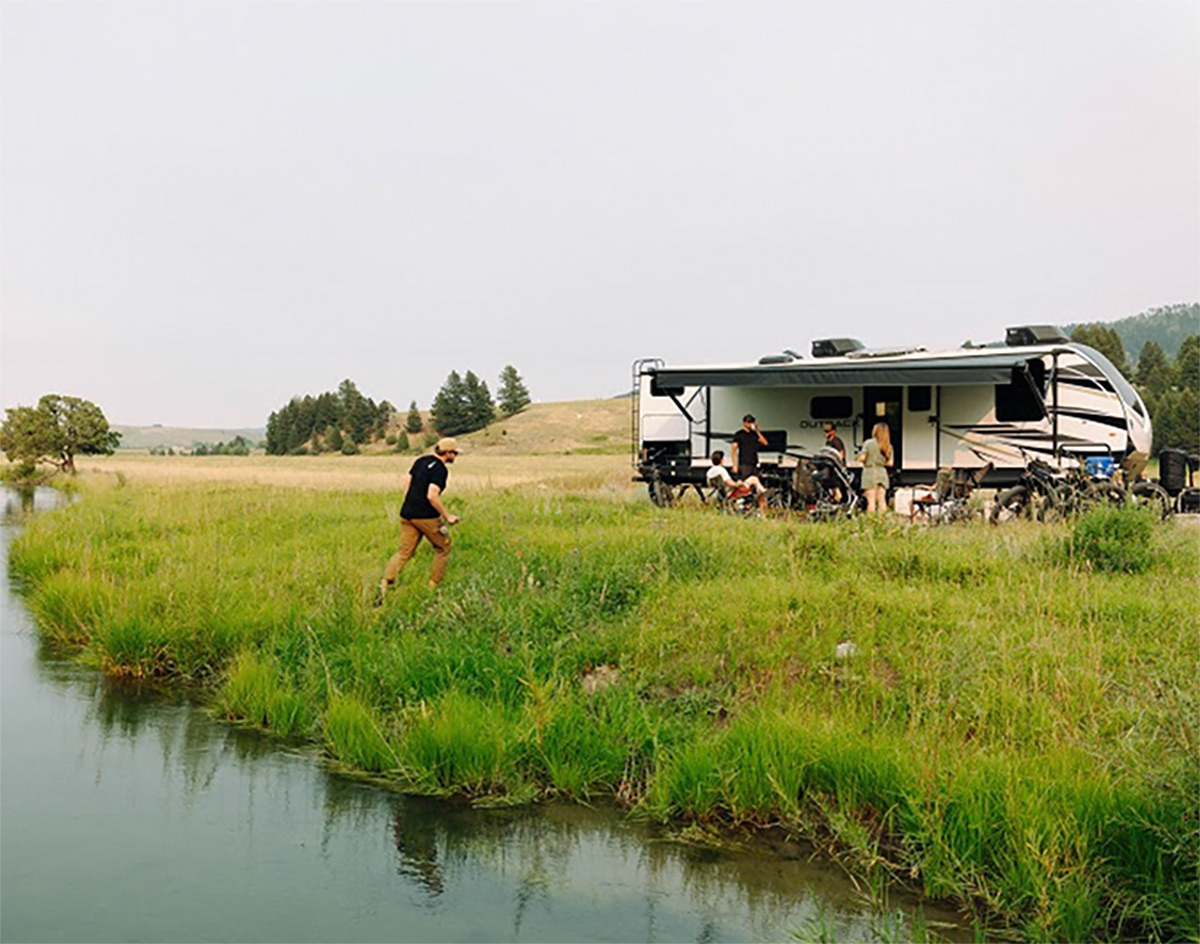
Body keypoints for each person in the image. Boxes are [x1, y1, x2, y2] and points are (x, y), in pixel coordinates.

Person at [378, 437, 460, 600]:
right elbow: (432, 495)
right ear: (447, 453)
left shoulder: (421, 460)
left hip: (407, 513)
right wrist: (447, 516)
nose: (455, 457)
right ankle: (432, 587)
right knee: (443, 548)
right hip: (427, 516)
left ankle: (384, 585)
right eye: (455, 453)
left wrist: (410, 502)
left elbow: (407, 482)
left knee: (404, 551)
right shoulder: (440, 470)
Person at [857, 422, 893, 515]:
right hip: (882, 473)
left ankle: (871, 523)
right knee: (882, 500)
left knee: (871, 502)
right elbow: (890, 463)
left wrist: (859, 457)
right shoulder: (888, 446)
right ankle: (883, 522)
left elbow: (862, 458)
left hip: (870, 472)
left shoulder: (868, 443)